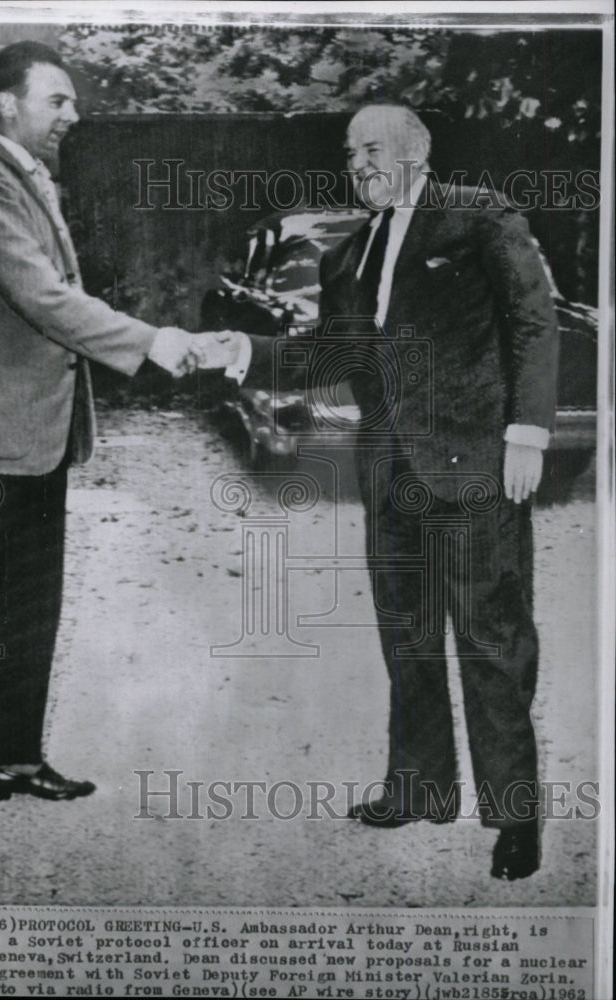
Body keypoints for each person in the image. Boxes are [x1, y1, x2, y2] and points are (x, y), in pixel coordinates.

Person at [0, 41, 241, 837]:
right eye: (58, 101)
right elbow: (43, 298)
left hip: (36, 436)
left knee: (29, 609)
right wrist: (154, 339)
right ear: (8, 104)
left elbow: (45, 306)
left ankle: (11, 758)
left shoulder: (25, 179)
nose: (72, 115)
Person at [229, 103, 558, 880]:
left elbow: (532, 321)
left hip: (475, 465)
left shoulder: (476, 216)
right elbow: (324, 357)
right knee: (406, 637)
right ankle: (418, 788)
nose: (358, 166)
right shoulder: (348, 257)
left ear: (418, 151)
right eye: (350, 155)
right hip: (389, 476)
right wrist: (238, 349)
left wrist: (527, 433)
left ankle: (513, 820)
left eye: (372, 150)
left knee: (490, 642)